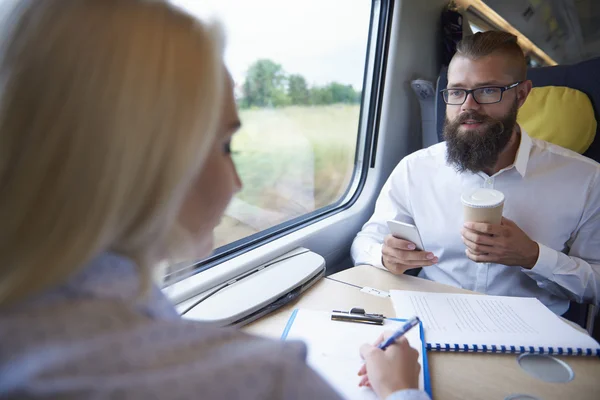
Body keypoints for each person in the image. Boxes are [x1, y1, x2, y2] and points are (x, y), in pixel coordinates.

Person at [0, 1, 430, 399]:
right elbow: (368, 240)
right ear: (144, 159)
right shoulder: (268, 380)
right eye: (226, 146)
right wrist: (401, 391)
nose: (238, 183)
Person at [352, 31, 600, 315]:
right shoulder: (415, 169)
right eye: (457, 92)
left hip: (532, 333)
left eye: (487, 91)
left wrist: (533, 257)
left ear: (521, 95)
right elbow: (366, 241)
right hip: (436, 320)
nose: (468, 107)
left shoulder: (587, 179)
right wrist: (384, 256)